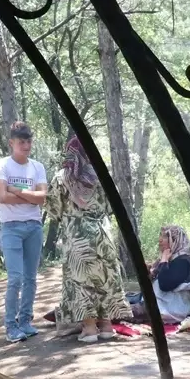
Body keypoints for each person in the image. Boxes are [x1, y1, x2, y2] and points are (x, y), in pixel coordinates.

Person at [44, 136, 131, 343]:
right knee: (104, 278)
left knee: (81, 281)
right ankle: (107, 327)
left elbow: (53, 209)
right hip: (102, 232)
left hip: (76, 235)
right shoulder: (101, 176)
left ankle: (89, 329)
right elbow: (111, 207)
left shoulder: (61, 178)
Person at [0, 120, 49, 343]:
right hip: (11, 227)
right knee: (14, 278)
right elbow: (2, 197)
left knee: (30, 278)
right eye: (21, 142)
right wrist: (29, 194)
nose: (25, 146)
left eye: (28, 141)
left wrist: (15, 189)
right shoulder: (2, 165)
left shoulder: (37, 167)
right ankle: (11, 325)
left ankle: (25, 320)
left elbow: (43, 198)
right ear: (11, 143)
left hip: (33, 227)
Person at [131, 225, 190, 325]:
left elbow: (165, 285)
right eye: (160, 236)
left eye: (165, 237)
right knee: (126, 302)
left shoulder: (184, 261)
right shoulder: (172, 259)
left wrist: (164, 261)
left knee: (125, 310)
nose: (160, 240)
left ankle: (138, 312)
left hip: (175, 307)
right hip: (163, 304)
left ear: (175, 240)